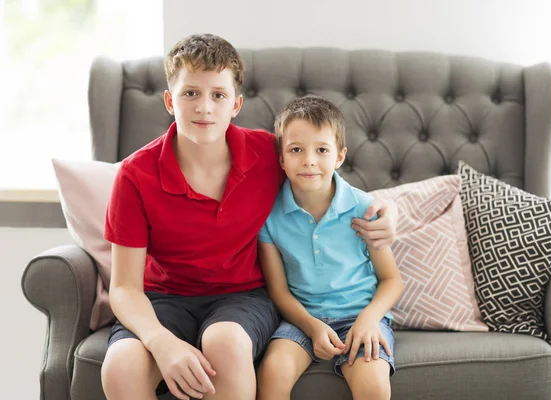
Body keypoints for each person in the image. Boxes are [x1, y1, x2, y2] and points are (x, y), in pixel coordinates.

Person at [100, 33, 398, 400]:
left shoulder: (267, 153)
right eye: (190, 93)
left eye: (218, 95)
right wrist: (161, 341)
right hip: (163, 299)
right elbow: (125, 288)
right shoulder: (135, 175)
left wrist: (389, 209)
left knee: (224, 343)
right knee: (121, 367)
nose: (204, 107)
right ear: (169, 100)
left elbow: (320, 174)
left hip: (240, 297)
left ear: (236, 104)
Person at [256, 96, 404, 400]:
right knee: (273, 372)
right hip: (302, 319)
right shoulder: (269, 216)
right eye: (296, 150)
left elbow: (392, 280)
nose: (309, 160)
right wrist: (311, 328)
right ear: (281, 159)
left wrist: (368, 319)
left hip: (360, 316)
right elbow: (279, 292)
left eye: (321, 150)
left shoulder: (363, 208)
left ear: (340, 156)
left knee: (374, 385)